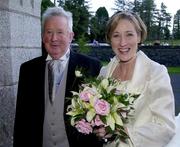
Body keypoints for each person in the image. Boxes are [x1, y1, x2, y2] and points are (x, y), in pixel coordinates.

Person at [13, 7, 103, 147]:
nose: (54, 38)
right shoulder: (27, 69)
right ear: (43, 36)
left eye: (60, 32)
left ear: (70, 35)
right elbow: (21, 119)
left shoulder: (91, 67)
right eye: (49, 32)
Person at [98, 11, 176, 147]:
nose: (122, 42)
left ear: (139, 36)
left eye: (129, 34)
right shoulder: (104, 73)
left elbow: (165, 127)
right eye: (116, 35)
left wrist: (123, 133)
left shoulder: (156, 73)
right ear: (110, 39)